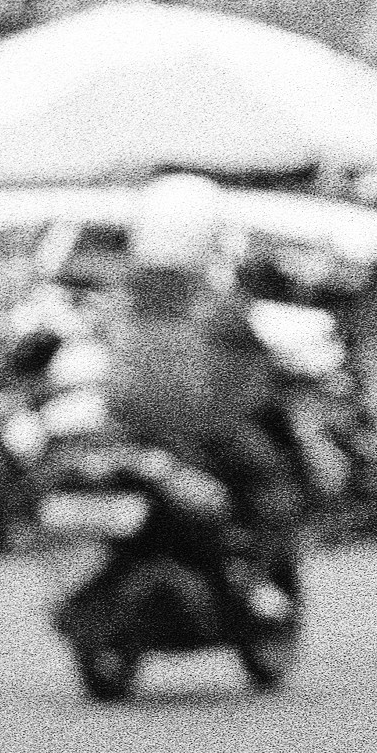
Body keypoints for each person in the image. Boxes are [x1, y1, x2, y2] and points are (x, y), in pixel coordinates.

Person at [97, 170, 310, 622]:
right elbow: (258, 358)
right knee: (276, 488)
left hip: (128, 432)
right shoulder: (216, 299)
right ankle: (259, 585)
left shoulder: (119, 295)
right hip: (207, 435)